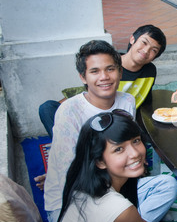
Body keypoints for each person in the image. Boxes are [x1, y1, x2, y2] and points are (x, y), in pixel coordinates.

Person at [43, 40, 177, 222]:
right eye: (95, 71)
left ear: (120, 72)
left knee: (168, 185)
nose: (104, 77)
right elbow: (72, 175)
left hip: (117, 188)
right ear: (83, 77)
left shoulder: (127, 101)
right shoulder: (69, 111)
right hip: (76, 199)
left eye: (110, 69)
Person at [38, 24, 166, 139]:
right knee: (47, 108)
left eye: (154, 50)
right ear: (132, 39)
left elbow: (145, 101)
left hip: (121, 119)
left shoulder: (149, 72)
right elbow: (87, 94)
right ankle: (69, 146)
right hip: (94, 111)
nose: (146, 50)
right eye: (144, 42)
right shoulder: (108, 63)